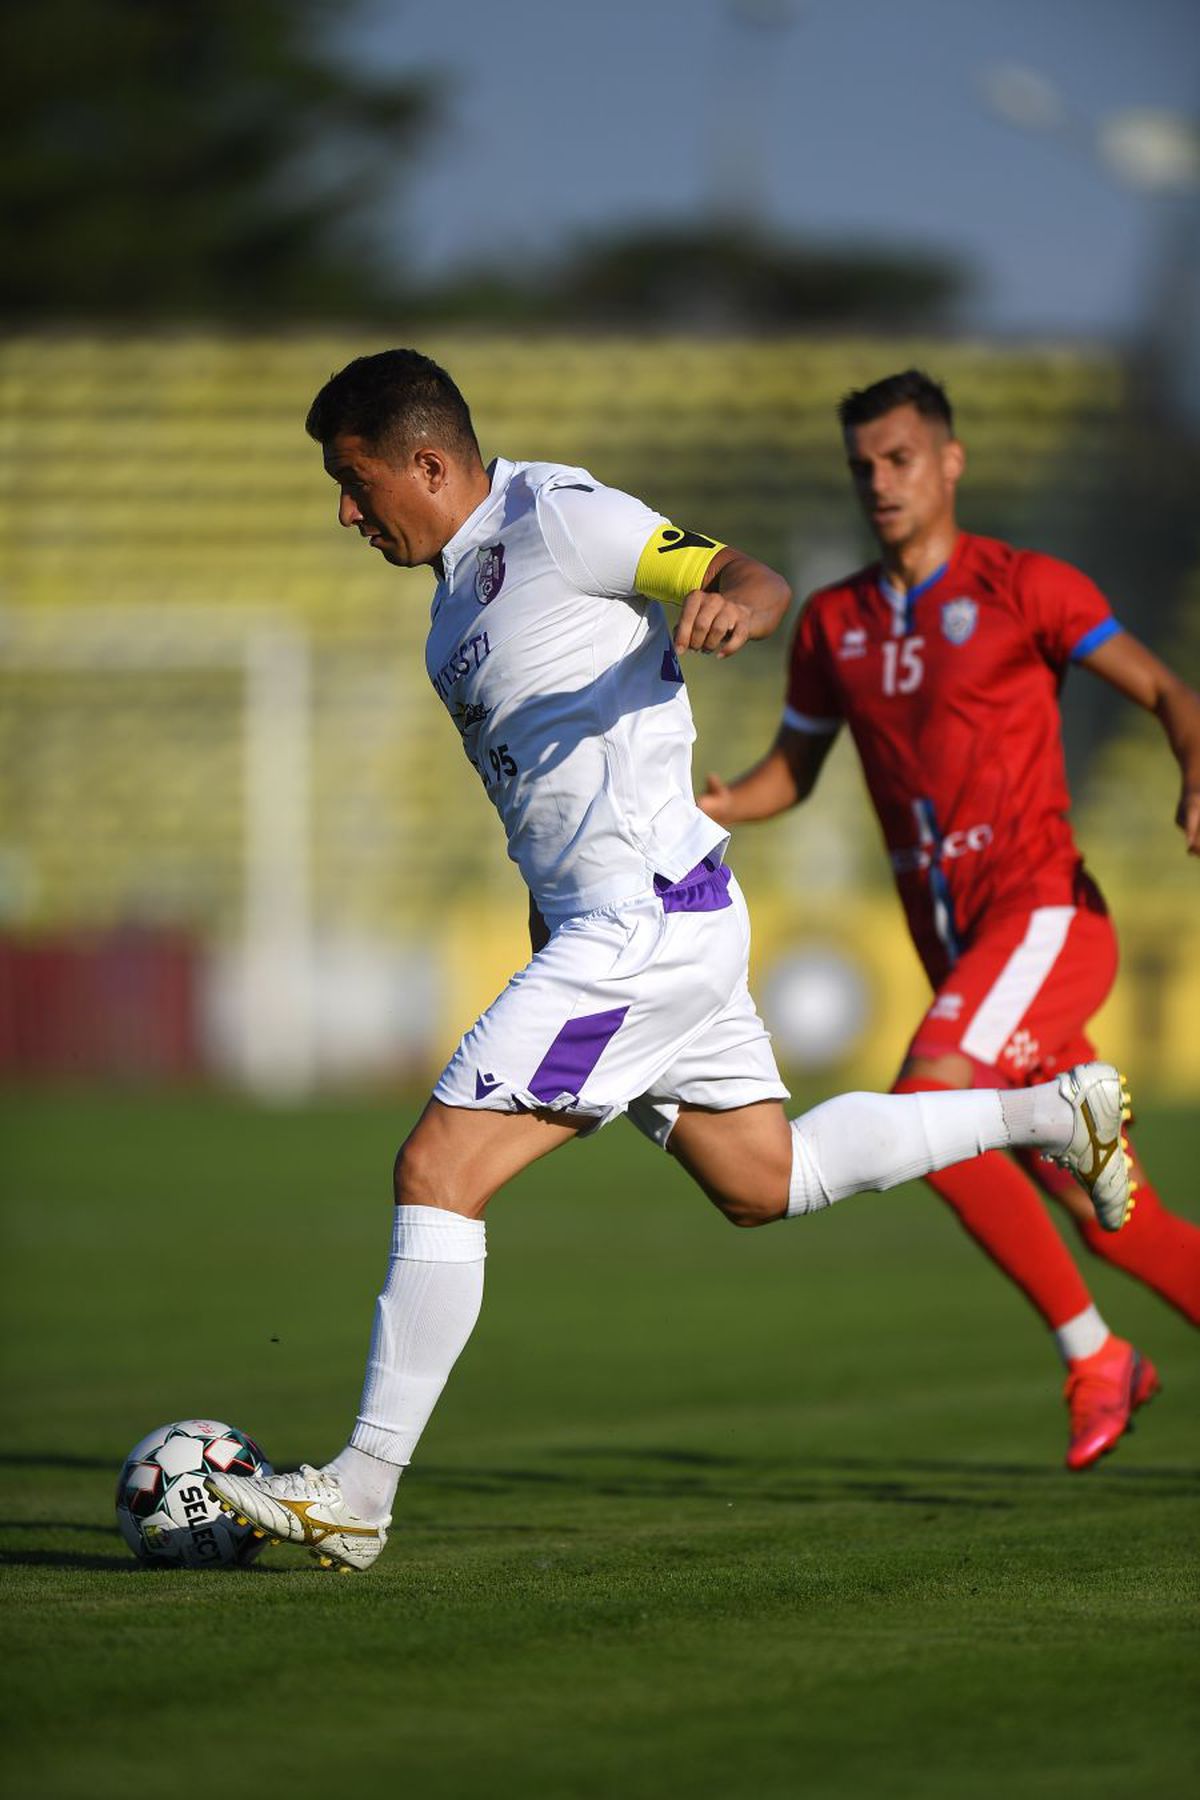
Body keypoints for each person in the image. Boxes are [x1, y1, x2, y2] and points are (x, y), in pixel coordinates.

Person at [207, 350, 1135, 1570]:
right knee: (767, 1179)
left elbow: (743, 573)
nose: (345, 511)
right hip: (645, 924)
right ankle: (1048, 1111)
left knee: (439, 1167)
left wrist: (739, 603)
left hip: (634, 928)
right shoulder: (451, 595)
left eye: (353, 480)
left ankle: (364, 1490)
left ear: (427, 465)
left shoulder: (560, 516)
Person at [699, 367, 1200, 1473]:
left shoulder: (1026, 585)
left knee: (932, 1107)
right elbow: (797, 767)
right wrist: (724, 802)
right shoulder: (834, 621)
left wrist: (1193, 765)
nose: (880, 482)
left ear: (950, 461)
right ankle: (1103, 1341)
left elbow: (1172, 694)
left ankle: (1094, 1359)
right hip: (969, 955)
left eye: (900, 459)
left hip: (1046, 921)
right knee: (1118, 1219)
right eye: (863, 466)